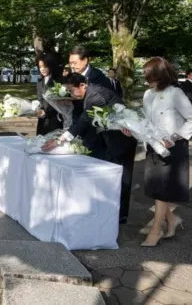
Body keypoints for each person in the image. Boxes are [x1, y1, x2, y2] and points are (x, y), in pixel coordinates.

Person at [42, 73, 137, 224]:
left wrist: (59, 140)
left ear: (82, 85)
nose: (71, 94)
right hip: (107, 137)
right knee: (108, 176)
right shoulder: (88, 93)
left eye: (72, 90)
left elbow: (84, 121)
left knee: (121, 177)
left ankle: (120, 215)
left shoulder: (95, 96)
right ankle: (108, 211)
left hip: (121, 139)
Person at [132, 57, 192, 247]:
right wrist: (132, 127)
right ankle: (172, 219)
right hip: (153, 145)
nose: (147, 80)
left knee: (162, 190)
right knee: (155, 188)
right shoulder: (148, 94)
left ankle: (156, 230)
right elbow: (146, 119)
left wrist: (175, 137)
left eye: (150, 75)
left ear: (160, 75)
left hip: (172, 147)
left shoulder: (175, 93)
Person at [69, 45, 112, 120]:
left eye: (75, 63)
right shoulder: (72, 77)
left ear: (85, 60)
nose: (72, 66)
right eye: (70, 63)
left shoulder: (98, 77)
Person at [35, 53, 63, 135]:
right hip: (42, 121)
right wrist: (37, 108)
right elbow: (40, 100)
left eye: (45, 66)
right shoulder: (40, 81)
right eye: (40, 67)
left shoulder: (58, 81)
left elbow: (61, 103)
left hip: (55, 121)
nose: (42, 69)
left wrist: (47, 113)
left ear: (51, 66)